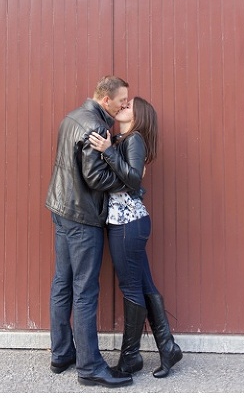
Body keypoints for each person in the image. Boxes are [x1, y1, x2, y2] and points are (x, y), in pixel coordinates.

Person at [45, 76, 133, 388]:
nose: (125, 104)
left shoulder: (72, 116)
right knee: (84, 289)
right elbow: (95, 178)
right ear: (105, 99)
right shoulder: (95, 127)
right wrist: (128, 183)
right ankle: (90, 367)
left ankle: (62, 354)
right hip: (82, 217)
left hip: (61, 209)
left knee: (63, 282)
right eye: (122, 99)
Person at [89, 97, 183, 378]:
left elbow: (133, 180)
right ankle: (167, 347)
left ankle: (130, 358)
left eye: (128, 105)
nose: (122, 107)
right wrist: (111, 146)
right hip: (130, 222)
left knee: (131, 289)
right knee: (143, 285)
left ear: (139, 115)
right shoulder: (126, 139)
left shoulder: (134, 140)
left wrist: (107, 151)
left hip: (127, 224)